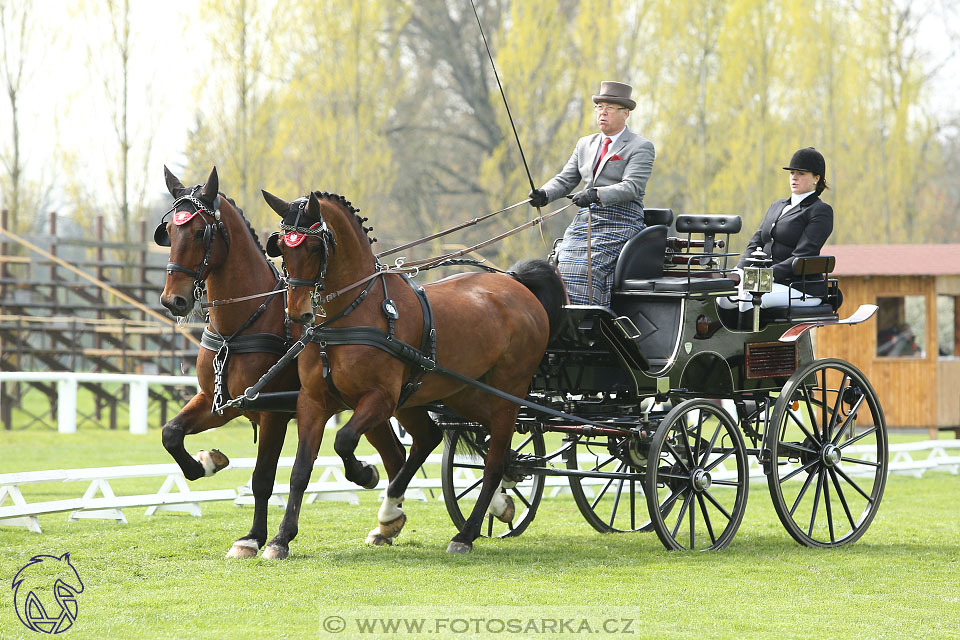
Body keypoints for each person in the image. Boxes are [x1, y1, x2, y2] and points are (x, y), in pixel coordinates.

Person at [528, 81, 655, 306]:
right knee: (561, 261)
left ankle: (591, 319)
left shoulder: (640, 146)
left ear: (625, 113)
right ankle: (561, 316)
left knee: (589, 266)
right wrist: (544, 194)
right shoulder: (585, 144)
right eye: (599, 107)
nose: (602, 112)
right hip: (586, 221)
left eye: (609, 107)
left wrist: (596, 194)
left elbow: (632, 186)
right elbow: (566, 179)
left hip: (621, 221)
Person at [719, 147, 834, 312]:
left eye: (801, 174)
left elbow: (803, 254)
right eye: (792, 173)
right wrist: (739, 270)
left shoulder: (820, 211)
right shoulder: (777, 205)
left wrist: (763, 276)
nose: (794, 177)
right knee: (722, 294)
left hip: (800, 287)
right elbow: (756, 241)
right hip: (766, 281)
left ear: (816, 178)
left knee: (749, 297)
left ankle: (751, 337)